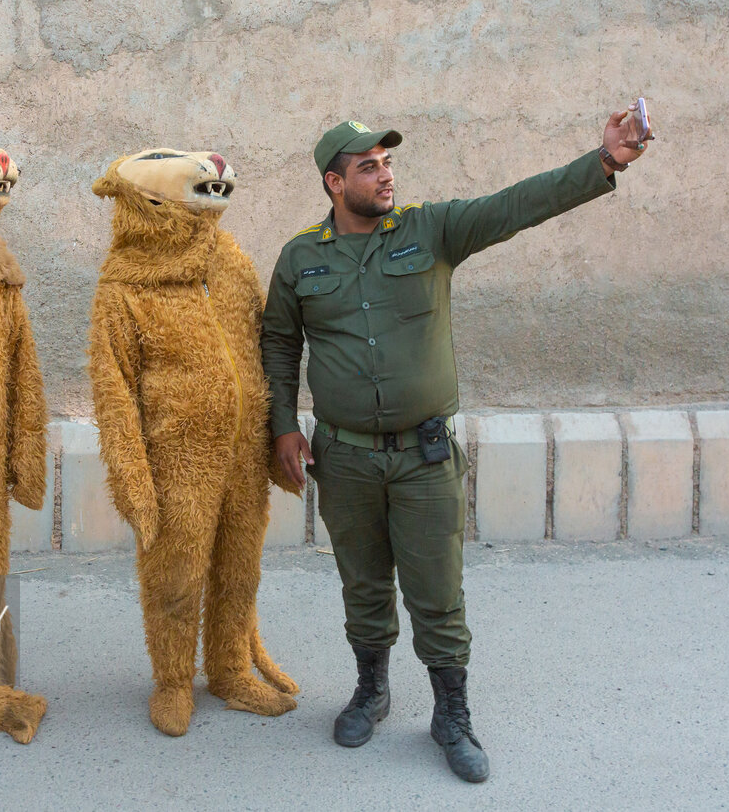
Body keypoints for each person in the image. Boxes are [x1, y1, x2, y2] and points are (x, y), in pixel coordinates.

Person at [260, 105, 652, 783]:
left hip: (423, 454)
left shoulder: (432, 228)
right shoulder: (300, 257)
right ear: (333, 183)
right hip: (344, 456)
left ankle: (452, 713)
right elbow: (279, 342)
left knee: (437, 590)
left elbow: (518, 205)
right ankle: (372, 688)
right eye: (368, 167)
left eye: (387, 162)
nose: (385, 175)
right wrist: (283, 424)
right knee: (362, 583)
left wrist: (606, 160)